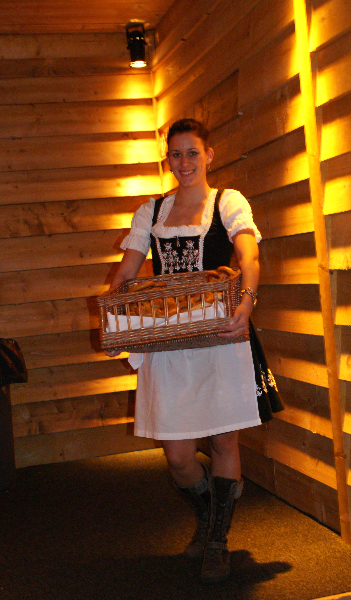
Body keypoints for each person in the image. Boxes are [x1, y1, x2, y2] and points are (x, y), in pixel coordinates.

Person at [105, 118, 282, 583]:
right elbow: (125, 274)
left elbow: (249, 256)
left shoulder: (228, 202)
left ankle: (217, 541)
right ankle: (208, 518)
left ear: (209, 155)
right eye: (176, 154)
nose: (184, 163)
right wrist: (114, 324)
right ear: (168, 158)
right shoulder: (151, 211)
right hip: (168, 341)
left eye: (192, 153)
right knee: (179, 456)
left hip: (219, 333)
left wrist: (248, 301)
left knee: (223, 441)